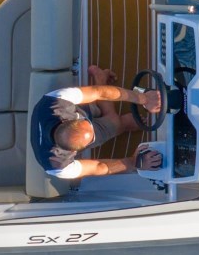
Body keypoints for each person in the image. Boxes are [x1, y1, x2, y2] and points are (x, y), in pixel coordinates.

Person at [31, 64, 165, 180]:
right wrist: (133, 162)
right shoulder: (58, 167)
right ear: (74, 151)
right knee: (115, 124)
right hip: (78, 117)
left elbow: (99, 92)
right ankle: (121, 123)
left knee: (109, 117)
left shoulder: (55, 102)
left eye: (88, 124)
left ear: (65, 120)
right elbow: (98, 166)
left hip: (80, 109)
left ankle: (101, 82)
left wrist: (143, 98)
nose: (94, 128)